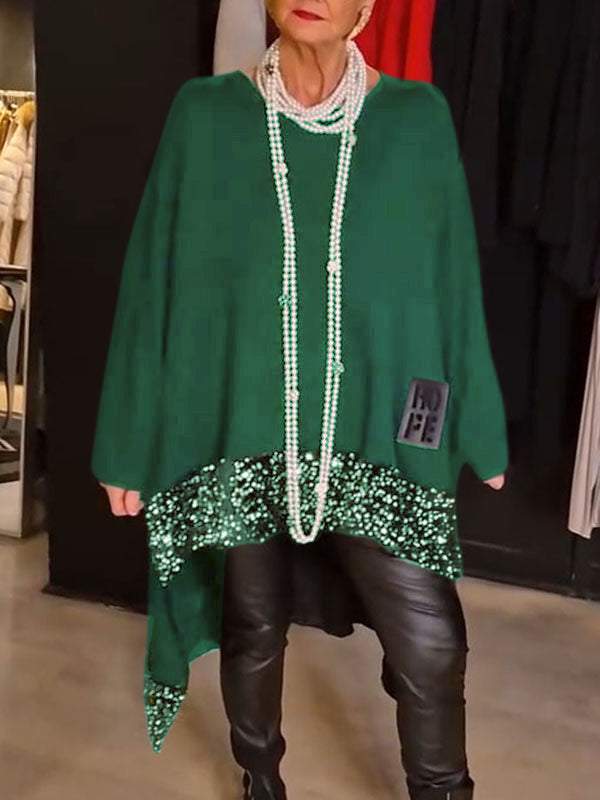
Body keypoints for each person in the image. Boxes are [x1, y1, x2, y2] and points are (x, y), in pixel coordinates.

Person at [91, 2, 508, 798]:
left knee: (432, 642)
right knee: (252, 623)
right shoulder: (205, 116)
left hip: (376, 432)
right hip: (244, 425)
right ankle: (260, 780)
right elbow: (152, 281)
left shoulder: (415, 121)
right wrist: (127, 442)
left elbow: (453, 280)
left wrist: (478, 423)